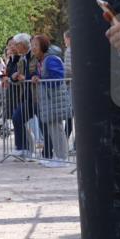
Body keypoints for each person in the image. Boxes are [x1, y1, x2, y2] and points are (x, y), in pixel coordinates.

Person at [31, 34, 70, 167]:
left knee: (57, 128)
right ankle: (59, 157)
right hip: (49, 100)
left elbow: (58, 78)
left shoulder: (51, 59)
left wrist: (41, 79)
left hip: (54, 99)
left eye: (35, 45)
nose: (33, 48)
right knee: (53, 129)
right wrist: (38, 77)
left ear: (43, 46)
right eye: (32, 45)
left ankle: (62, 158)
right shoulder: (42, 61)